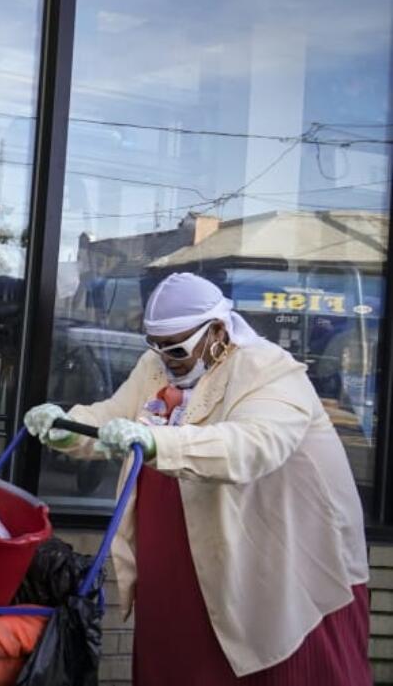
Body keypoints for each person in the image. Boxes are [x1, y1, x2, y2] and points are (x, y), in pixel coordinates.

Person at [24, 272, 369, 685]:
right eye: (155, 345)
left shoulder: (271, 371)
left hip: (265, 558)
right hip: (175, 561)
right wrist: (67, 425)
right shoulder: (156, 366)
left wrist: (155, 441)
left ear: (218, 331)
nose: (165, 357)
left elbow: (251, 445)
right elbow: (113, 416)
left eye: (176, 347)